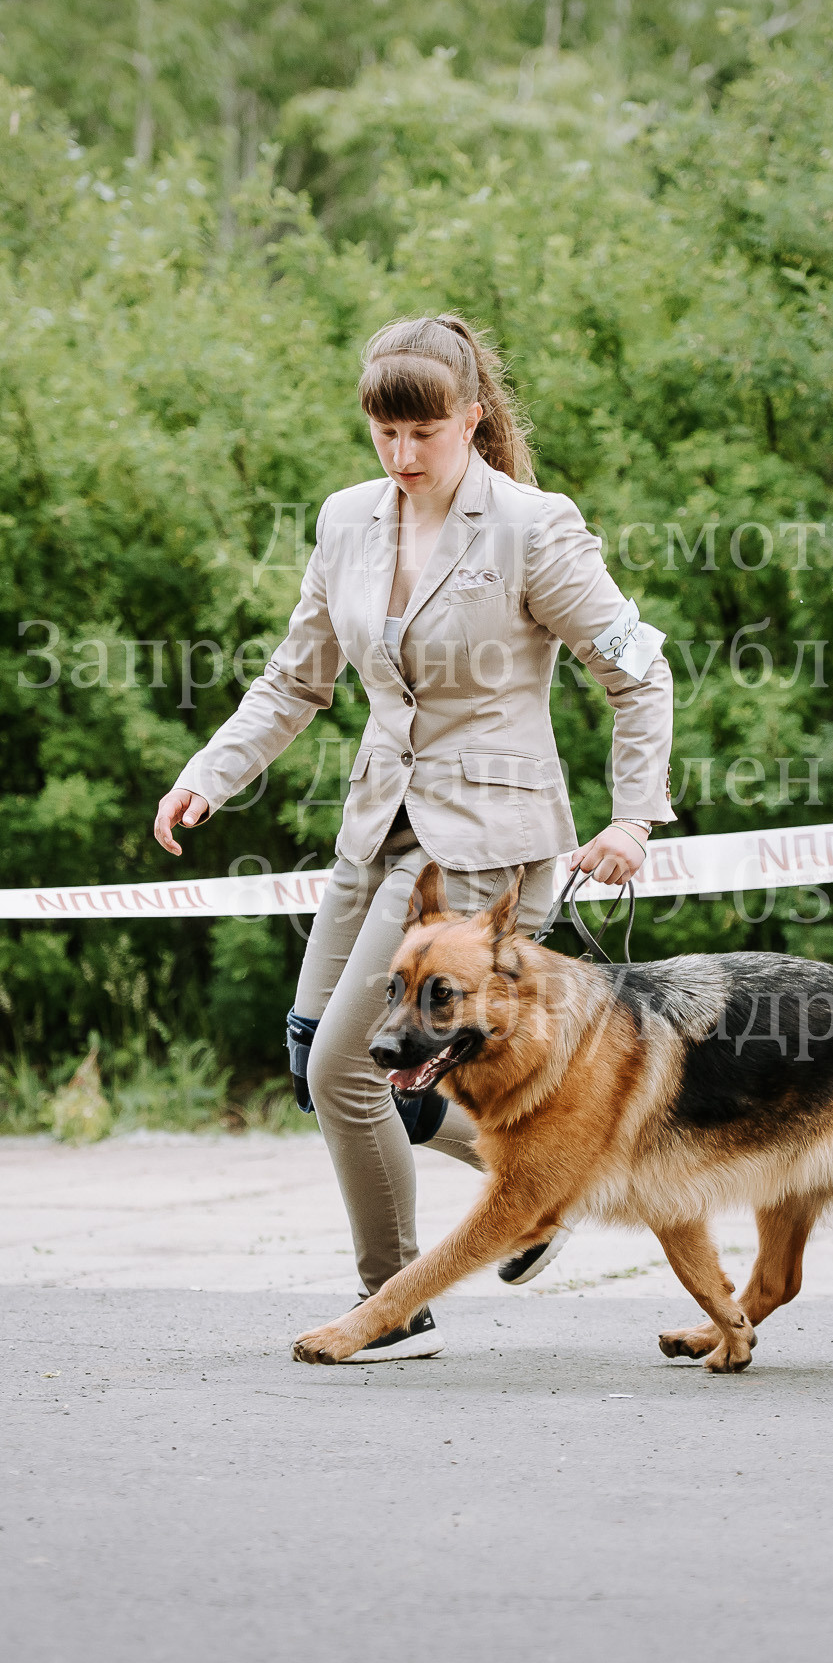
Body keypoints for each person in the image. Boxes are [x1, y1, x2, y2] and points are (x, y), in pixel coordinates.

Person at [153, 314, 674, 1359]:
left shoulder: (534, 524)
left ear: (471, 420)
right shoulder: (346, 518)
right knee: (315, 1065)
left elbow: (636, 669)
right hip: (377, 825)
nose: (401, 456)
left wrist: (632, 814)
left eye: (424, 433)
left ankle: (391, 1303)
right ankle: (535, 1184)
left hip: (489, 846)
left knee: (352, 1069)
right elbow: (296, 675)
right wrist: (211, 770)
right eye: (384, 434)